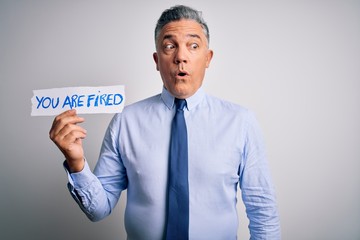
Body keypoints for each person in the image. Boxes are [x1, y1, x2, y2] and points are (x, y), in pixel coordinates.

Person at [49, 5, 281, 240]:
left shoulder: (240, 122)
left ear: (208, 58)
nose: (181, 56)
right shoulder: (125, 122)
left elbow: (263, 213)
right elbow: (98, 209)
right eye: (170, 46)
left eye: (193, 45)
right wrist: (76, 161)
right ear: (157, 60)